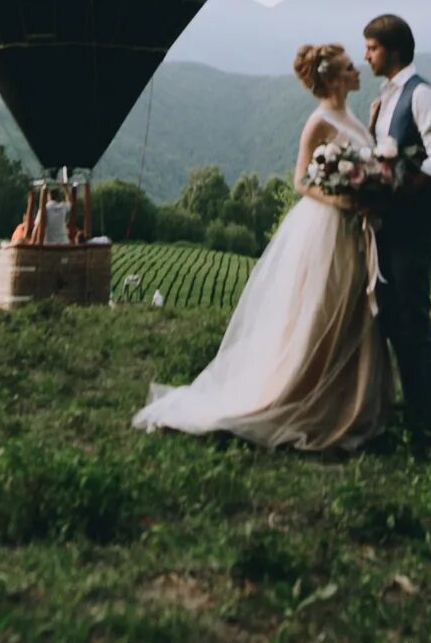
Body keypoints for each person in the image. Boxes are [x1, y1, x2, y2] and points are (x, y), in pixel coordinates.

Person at [132, 42, 389, 452]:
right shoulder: (318, 121)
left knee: (351, 311)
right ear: (332, 77)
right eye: (347, 66)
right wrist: (339, 199)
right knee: (323, 310)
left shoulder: (353, 112)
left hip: (354, 230)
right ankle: (304, 395)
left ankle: (347, 400)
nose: (357, 69)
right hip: (327, 227)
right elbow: (301, 181)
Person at [363, 12, 431, 449]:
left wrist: (405, 186)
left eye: (372, 48)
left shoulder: (422, 96)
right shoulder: (383, 100)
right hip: (386, 225)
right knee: (393, 319)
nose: (366, 56)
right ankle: (410, 410)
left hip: (413, 224)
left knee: (415, 319)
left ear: (393, 50)